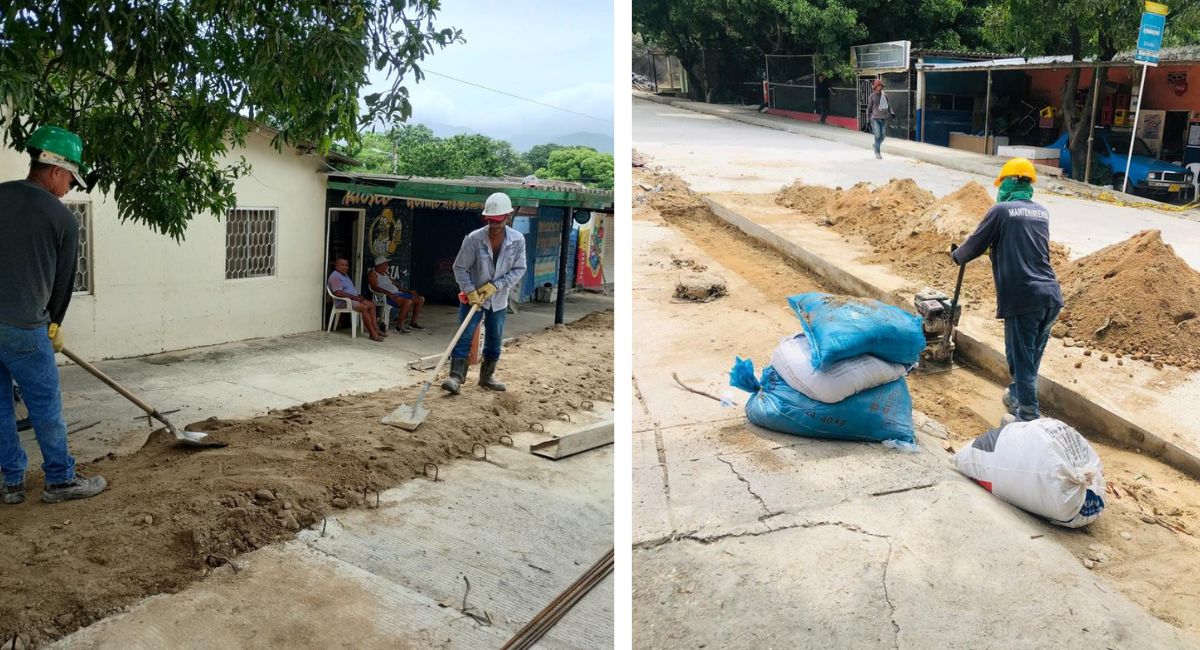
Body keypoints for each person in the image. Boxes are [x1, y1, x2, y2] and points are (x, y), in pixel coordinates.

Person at [1, 125, 107, 505]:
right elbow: (62, 286)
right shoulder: (62, 219)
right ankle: (60, 480)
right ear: (55, 170)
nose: (70, 189)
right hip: (26, 328)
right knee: (45, 408)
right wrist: (54, 324)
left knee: (0, 408)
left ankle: (12, 483)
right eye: (70, 180)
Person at [951, 158, 1063, 424]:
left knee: (1020, 359)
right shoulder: (1041, 213)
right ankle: (1016, 395)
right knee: (1030, 355)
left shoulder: (1001, 211)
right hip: (1051, 297)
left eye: (1001, 184)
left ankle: (1027, 416)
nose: (998, 190)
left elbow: (973, 246)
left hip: (1023, 298)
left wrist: (955, 255)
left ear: (1009, 182)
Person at [441, 192, 527, 394]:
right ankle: (455, 377)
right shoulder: (474, 239)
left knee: (495, 337)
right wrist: (470, 291)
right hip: (472, 298)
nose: (494, 225)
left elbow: (519, 269)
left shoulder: (517, 240)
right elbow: (459, 267)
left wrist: (497, 285)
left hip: (498, 298)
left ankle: (487, 376)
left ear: (508, 216)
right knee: (465, 334)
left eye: (498, 221)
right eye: (490, 221)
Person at [328, 257, 387, 341]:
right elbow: (338, 293)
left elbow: (348, 290)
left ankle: (376, 329)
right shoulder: (335, 276)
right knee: (364, 308)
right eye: (342, 265)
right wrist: (355, 297)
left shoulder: (344, 275)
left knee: (372, 305)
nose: (345, 267)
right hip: (343, 302)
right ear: (336, 266)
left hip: (353, 299)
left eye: (346, 265)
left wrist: (358, 296)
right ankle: (372, 334)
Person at [367, 257, 425, 333]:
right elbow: (374, 287)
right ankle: (399, 327)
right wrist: (387, 293)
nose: (387, 266)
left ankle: (413, 323)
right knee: (408, 301)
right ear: (380, 265)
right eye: (386, 264)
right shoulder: (373, 273)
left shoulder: (386, 274)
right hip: (386, 297)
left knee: (421, 299)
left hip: (398, 294)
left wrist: (409, 291)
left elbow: (396, 285)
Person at [866, 78, 893, 159]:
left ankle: (875, 145)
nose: (880, 87)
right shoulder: (872, 96)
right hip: (875, 118)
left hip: (883, 118)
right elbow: (869, 108)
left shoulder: (884, 96)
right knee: (877, 135)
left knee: (883, 136)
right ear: (875, 86)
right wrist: (868, 119)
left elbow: (888, 106)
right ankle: (877, 152)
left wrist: (891, 112)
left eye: (881, 85)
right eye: (879, 85)